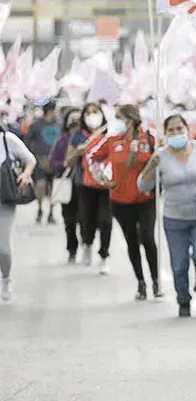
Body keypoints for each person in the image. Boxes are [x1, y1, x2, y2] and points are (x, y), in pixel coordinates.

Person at [138, 114, 196, 317]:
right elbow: (143, 186)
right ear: (165, 133)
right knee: (179, 264)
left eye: (180, 129)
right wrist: (151, 166)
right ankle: (183, 298)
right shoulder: (160, 156)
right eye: (171, 130)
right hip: (174, 219)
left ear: (187, 130)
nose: (176, 133)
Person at [86, 104, 160, 300]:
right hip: (120, 200)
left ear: (130, 119)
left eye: (119, 117)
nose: (116, 121)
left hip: (146, 198)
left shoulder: (150, 138)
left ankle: (156, 281)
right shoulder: (113, 140)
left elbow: (162, 159)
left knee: (147, 237)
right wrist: (102, 178)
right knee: (131, 240)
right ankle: (141, 283)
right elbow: (92, 157)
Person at [71, 103, 113, 274]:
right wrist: (77, 152)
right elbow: (68, 160)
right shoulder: (78, 136)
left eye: (95, 112)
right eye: (88, 113)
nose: (92, 115)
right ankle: (87, 244)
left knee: (105, 221)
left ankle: (104, 256)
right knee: (87, 220)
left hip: (106, 184)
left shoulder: (109, 135)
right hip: (85, 185)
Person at [0, 125, 37, 301]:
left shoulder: (7, 139)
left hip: (4, 201)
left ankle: (6, 278)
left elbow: (30, 159)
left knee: (3, 249)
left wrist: (26, 174)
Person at [49, 108, 83, 263]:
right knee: (69, 221)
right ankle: (72, 249)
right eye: (72, 119)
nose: (75, 122)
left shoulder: (87, 139)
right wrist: (64, 164)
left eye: (78, 119)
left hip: (83, 185)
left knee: (84, 219)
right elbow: (53, 162)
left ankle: (86, 243)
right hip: (67, 184)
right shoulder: (62, 141)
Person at [24, 101, 62, 224]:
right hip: (40, 161)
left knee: (54, 188)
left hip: (56, 162)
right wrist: (34, 159)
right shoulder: (36, 125)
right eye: (56, 110)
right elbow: (27, 143)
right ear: (50, 111)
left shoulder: (60, 125)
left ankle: (51, 212)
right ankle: (40, 209)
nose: (58, 113)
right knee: (41, 185)